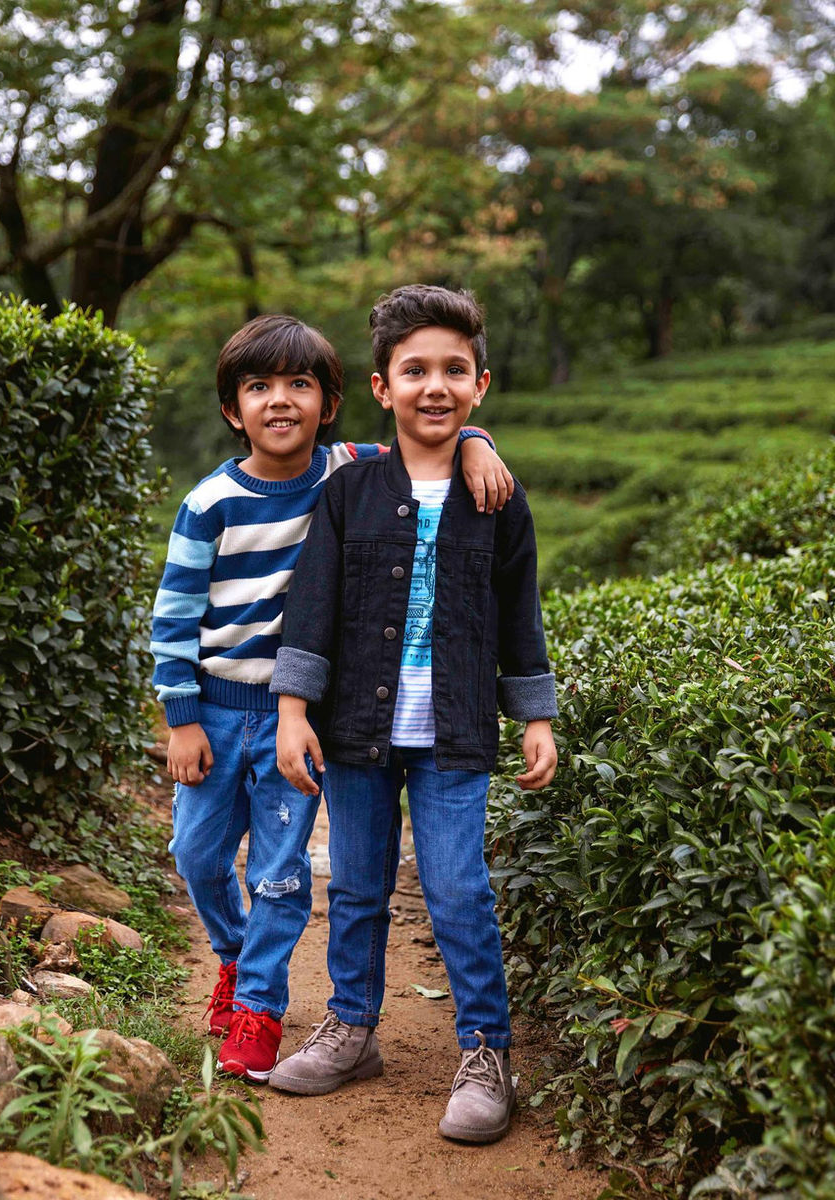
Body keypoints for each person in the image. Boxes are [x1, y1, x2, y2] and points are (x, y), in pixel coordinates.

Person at [150, 311, 513, 1083]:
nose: (280, 401)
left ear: (332, 401)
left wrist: (480, 442)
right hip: (215, 708)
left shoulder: (346, 470)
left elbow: (430, 433)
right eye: (258, 387)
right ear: (231, 408)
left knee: (281, 871)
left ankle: (259, 1008)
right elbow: (173, 618)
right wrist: (179, 718)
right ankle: (231, 954)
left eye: (300, 384)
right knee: (195, 853)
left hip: (299, 716)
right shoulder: (209, 502)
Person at [269, 284, 559, 1142]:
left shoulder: (497, 497)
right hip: (356, 732)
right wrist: (293, 711)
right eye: (415, 370)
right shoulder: (348, 492)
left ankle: (485, 1052)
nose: (436, 385)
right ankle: (352, 1030)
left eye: (455, 371)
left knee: (458, 889)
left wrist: (534, 716)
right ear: (382, 387)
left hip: (455, 734)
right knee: (355, 886)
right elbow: (311, 608)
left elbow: (521, 617)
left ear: (482, 384)